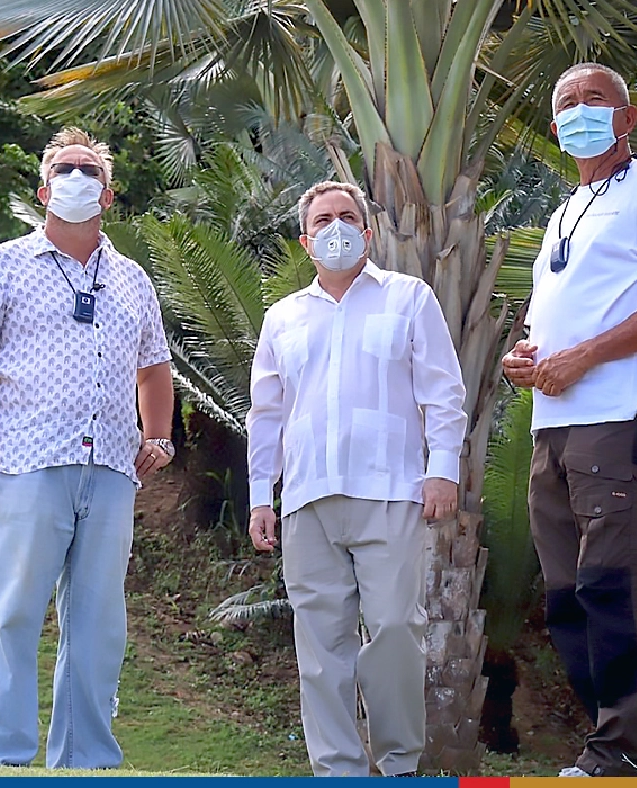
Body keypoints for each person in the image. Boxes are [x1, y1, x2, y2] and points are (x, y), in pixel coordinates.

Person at [0, 126, 175, 769]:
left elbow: (155, 367)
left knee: (99, 624)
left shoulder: (133, 279)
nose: (78, 177)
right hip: (25, 463)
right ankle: (1, 754)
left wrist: (157, 434)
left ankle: (86, 756)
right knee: (14, 611)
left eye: (90, 169)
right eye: (66, 168)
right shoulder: (3, 264)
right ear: (45, 189)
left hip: (108, 469)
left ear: (108, 193)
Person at [501, 63, 637, 778]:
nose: (581, 111)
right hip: (550, 427)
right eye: (567, 104)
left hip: (618, 419)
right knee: (566, 598)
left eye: (595, 99)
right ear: (556, 130)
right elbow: (551, 322)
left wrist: (584, 358)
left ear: (627, 118)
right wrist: (520, 360)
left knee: (611, 584)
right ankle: (606, 744)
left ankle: (624, 751)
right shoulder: (565, 210)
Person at [246, 180, 468, 777]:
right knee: (321, 648)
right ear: (306, 238)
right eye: (323, 219)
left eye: (348, 216)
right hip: (306, 500)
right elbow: (266, 413)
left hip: (391, 491)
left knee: (395, 628)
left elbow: (443, 392)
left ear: (368, 233)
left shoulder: (410, 298)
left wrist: (442, 468)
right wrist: (258, 497)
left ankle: (398, 763)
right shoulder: (283, 317)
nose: (336, 226)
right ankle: (338, 770)